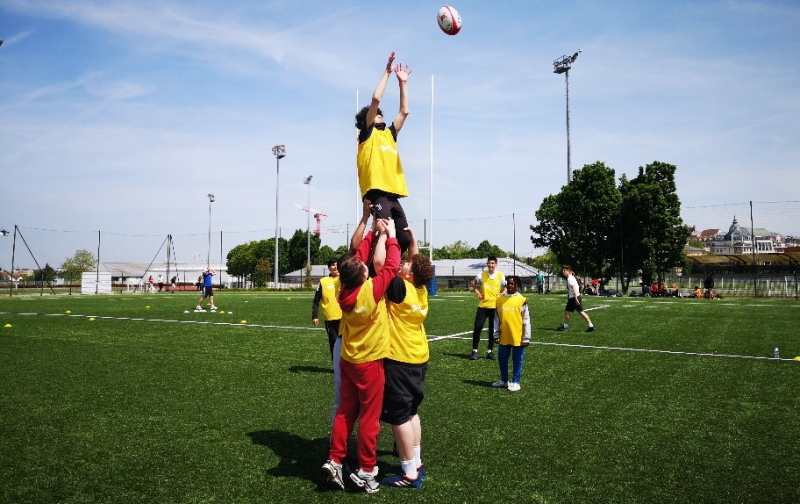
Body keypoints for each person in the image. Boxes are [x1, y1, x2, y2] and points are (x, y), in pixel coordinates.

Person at [322, 218, 400, 494]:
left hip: (348, 360)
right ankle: (367, 469)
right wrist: (390, 236)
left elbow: (355, 259)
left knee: (345, 411)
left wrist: (372, 232)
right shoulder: (370, 291)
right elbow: (391, 267)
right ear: (364, 274)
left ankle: (335, 458)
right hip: (369, 363)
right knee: (369, 417)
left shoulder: (342, 290)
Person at [380, 227, 434, 488]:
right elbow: (419, 264)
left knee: (399, 417)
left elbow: (381, 263)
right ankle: (417, 461)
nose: (402, 262)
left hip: (400, 360)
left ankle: (409, 473)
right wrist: (412, 240)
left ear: (409, 274)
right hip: (419, 358)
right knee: (412, 411)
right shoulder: (420, 289)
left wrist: (388, 235)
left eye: (406, 263)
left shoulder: (401, 289)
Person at [355, 52, 412, 255]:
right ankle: (372, 269)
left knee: (404, 237)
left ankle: (389, 269)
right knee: (384, 233)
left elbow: (404, 111)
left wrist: (402, 83)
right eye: (377, 114)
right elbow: (376, 98)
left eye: (380, 114)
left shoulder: (389, 134)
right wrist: (387, 73)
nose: (380, 114)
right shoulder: (367, 133)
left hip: (392, 193)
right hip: (376, 192)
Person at [312, 258, 344, 431]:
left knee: (346, 343)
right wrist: (314, 315)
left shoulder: (344, 278)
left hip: (345, 317)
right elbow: (316, 299)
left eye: (337, 265)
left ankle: (345, 364)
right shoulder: (323, 282)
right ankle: (336, 367)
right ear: (328, 268)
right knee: (333, 344)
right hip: (330, 318)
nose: (335, 267)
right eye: (332, 265)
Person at [491, 276, 531, 392]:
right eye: (508, 284)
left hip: (518, 337)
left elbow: (526, 320)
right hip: (504, 336)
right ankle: (504, 381)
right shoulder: (499, 300)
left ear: (517, 285)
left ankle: (516, 382)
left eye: (512, 284)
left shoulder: (521, 300)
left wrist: (527, 337)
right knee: (502, 358)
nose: (509, 286)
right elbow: (496, 319)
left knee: (517, 359)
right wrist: (496, 334)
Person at [469, 256, 506, 360]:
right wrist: (477, 291)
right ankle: (474, 350)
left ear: (496, 264)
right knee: (477, 327)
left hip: (495, 307)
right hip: (483, 306)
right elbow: (473, 282)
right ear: (487, 264)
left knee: (492, 330)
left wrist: (502, 294)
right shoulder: (482, 274)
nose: (491, 265)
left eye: (493, 263)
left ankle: (490, 351)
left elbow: (506, 286)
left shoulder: (500, 275)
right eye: (489, 263)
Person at [556, 265, 595, 333]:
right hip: (575, 297)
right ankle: (590, 326)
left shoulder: (570, 278)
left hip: (574, 298)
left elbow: (574, 288)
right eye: (563, 271)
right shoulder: (571, 277)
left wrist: (576, 299)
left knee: (572, 311)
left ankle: (565, 326)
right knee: (575, 311)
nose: (563, 272)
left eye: (564, 271)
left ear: (568, 271)